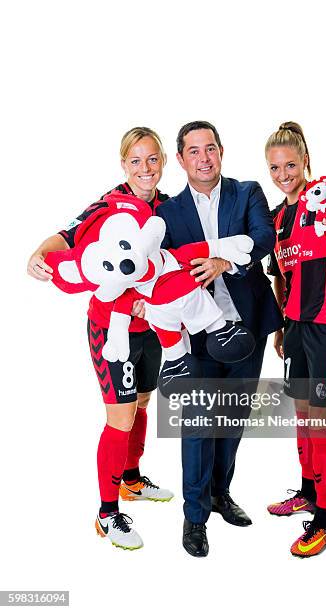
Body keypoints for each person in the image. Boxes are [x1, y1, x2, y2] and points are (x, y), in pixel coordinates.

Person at [27, 127, 174, 551]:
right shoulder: (108, 204)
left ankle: (130, 479)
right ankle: (107, 513)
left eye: (152, 160)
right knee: (120, 416)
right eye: (135, 161)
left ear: (163, 161)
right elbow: (67, 235)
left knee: (143, 402)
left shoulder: (169, 208)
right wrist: (37, 254)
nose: (144, 169)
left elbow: (173, 264)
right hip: (112, 330)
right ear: (123, 164)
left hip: (151, 329)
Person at [155, 120, 283, 557]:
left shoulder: (246, 192)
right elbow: (161, 269)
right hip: (196, 332)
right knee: (197, 426)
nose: (203, 158)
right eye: (194, 151)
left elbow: (264, 237)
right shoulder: (168, 213)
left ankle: (219, 494)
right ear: (181, 159)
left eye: (210, 148)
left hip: (247, 327)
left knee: (231, 421)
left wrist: (223, 261)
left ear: (221, 151)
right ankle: (194, 518)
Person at [265, 122, 326, 557]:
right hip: (298, 328)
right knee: (303, 418)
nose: (283, 173)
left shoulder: (320, 198)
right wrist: (283, 326)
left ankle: (324, 520)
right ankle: (306, 490)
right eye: (275, 167)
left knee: (322, 425)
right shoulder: (277, 220)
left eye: (290, 164)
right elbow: (280, 278)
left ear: (305, 162)